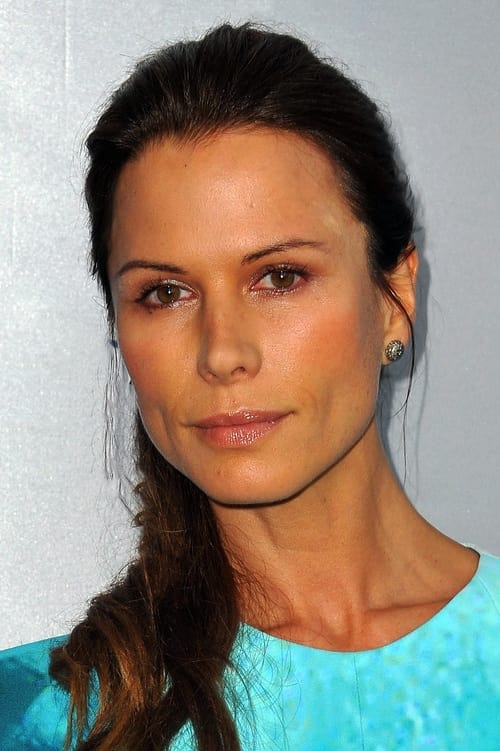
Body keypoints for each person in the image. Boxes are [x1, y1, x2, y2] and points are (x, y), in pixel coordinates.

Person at [1, 22, 499, 751]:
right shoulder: (42, 717)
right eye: (165, 293)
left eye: (280, 277)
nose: (222, 352)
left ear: (394, 296)